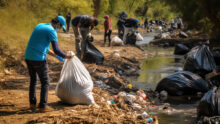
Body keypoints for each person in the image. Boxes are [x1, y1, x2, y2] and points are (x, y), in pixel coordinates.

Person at [24, 16, 72, 112]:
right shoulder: (52, 31)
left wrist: (55, 55)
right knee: (45, 82)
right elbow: (57, 49)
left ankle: (32, 104)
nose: (59, 29)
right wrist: (65, 56)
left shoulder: (40, 25)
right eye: (60, 27)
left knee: (33, 80)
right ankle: (42, 106)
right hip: (38, 59)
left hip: (28, 57)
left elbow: (42, 45)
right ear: (58, 24)